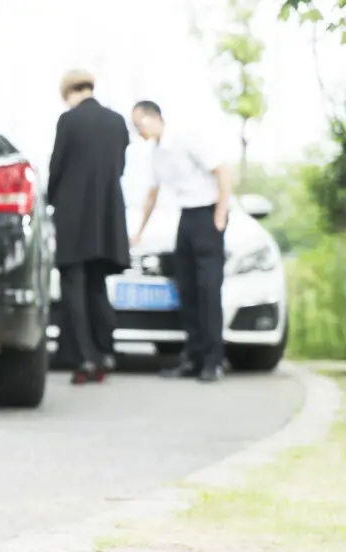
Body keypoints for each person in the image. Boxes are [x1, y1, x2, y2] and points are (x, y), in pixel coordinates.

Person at [130, 101, 233, 383]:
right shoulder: (157, 153)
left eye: (138, 124)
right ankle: (195, 357)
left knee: (208, 290)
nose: (137, 131)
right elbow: (152, 193)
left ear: (154, 118)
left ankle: (214, 361)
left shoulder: (186, 139)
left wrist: (221, 214)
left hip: (207, 214)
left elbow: (222, 170)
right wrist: (140, 230)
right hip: (186, 217)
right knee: (187, 288)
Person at [47, 69, 131, 385]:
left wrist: (50, 200)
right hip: (107, 216)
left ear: (68, 92)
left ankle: (84, 358)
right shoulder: (117, 122)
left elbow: (57, 167)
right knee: (97, 286)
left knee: (73, 286)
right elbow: (119, 167)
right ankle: (106, 351)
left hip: (73, 215)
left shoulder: (68, 121)